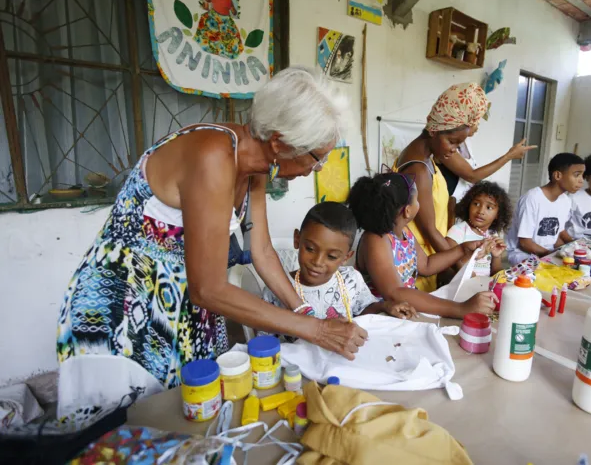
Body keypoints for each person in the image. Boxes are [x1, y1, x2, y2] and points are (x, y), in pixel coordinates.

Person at [55, 66, 367, 425]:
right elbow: (208, 288)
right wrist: (316, 331)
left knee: (188, 422)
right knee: (128, 431)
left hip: (182, 306)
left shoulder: (257, 166)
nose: (318, 168)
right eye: (318, 158)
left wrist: (306, 314)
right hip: (127, 306)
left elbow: (260, 250)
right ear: (280, 143)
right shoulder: (212, 155)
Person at [393, 83, 534, 292]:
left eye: (459, 145)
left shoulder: (427, 151)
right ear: (434, 131)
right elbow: (430, 231)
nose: (454, 150)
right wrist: (459, 269)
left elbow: (471, 174)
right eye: (452, 142)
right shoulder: (419, 169)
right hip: (422, 260)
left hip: (432, 255)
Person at [348, 172, 497, 319]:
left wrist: (462, 249)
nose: (420, 203)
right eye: (417, 199)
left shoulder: (404, 232)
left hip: (404, 310)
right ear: (407, 211)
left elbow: (426, 265)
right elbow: (395, 292)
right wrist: (459, 309)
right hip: (379, 317)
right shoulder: (375, 240)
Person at [262, 202, 417, 327]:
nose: (317, 262)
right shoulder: (276, 289)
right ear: (297, 239)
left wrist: (385, 306)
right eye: (310, 249)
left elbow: (363, 309)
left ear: (345, 257)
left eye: (331, 256)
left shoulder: (350, 280)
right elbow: (266, 339)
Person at [506, 153, 585, 265]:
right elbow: (524, 242)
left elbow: (556, 234)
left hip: (546, 252)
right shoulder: (532, 198)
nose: (581, 180)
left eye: (582, 175)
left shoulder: (565, 201)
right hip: (522, 253)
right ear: (557, 175)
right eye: (577, 175)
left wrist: (574, 247)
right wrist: (551, 256)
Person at [445, 181, 511, 277]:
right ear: (468, 205)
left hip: (484, 286)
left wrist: (496, 256)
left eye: (489, 207)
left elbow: (495, 273)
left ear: (498, 214)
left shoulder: (492, 234)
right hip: (464, 286)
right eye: (476, 204)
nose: (480, 211)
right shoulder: (457, 231)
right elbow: (451, 269)